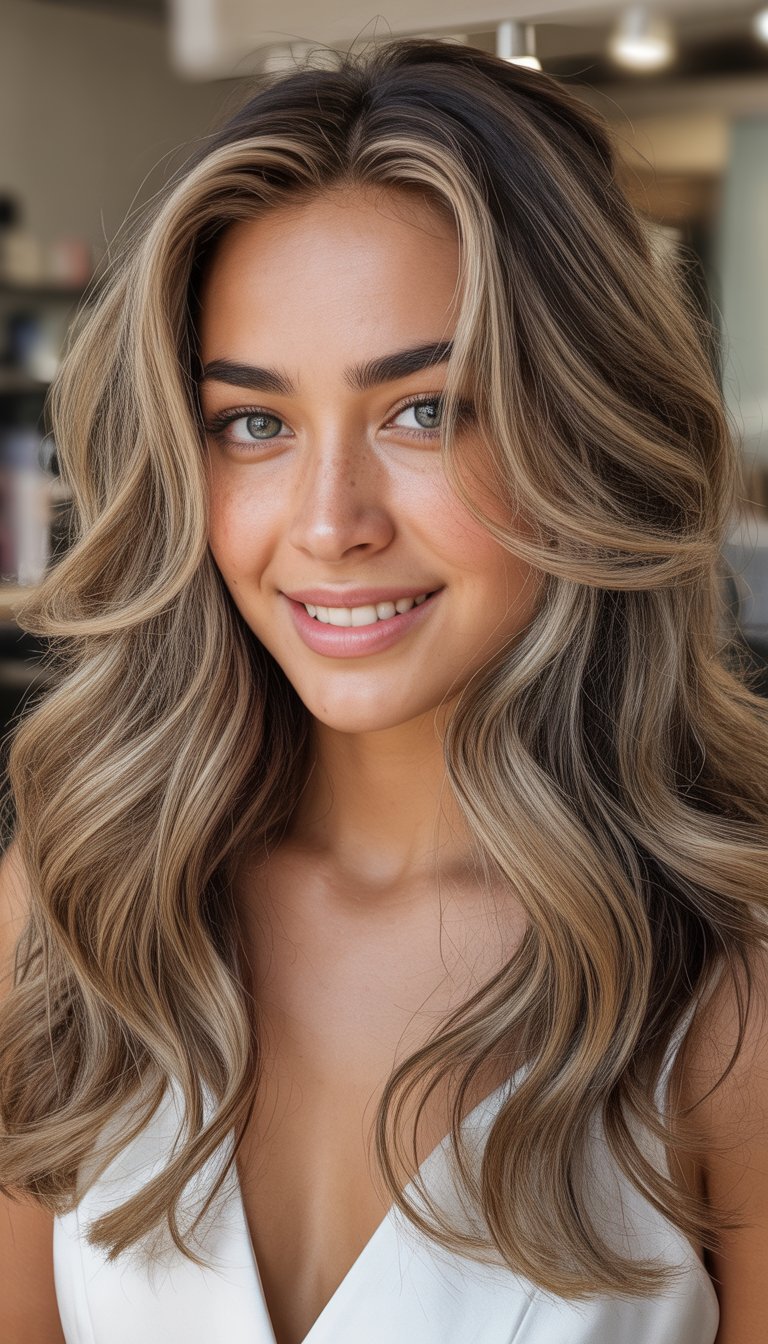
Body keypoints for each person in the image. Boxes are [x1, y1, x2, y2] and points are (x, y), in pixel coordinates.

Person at [1, 35, 767, 1344]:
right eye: (255, 422)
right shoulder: (72, 913)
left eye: (426, 410)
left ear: (581, 431)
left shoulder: (722, 992)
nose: (328, 521)